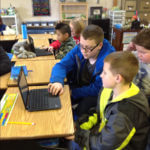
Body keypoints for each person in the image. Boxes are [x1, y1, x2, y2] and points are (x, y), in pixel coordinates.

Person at [66, 51, 150, 150]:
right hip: (104, 134)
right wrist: (79, 125)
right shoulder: (109, 90)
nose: (101, 75)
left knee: (73, 145)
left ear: (118, 78)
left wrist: (78, 136)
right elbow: (99, 113)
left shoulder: (126, 112)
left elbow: (105, 146)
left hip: (115, 145)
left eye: (105, 73)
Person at [48, 25, 115, 117]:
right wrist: (57, 81)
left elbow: (97, 89)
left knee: (74, 111)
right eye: (81, 46)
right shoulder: (80, 48)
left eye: (88, 48)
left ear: (100, 45)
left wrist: (72, 92)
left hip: (92, 95)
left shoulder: (109, 61)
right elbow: (61, 65)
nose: (83, 51)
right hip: (78, 86)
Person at [127, 28, 150, 103]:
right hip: (131, 94)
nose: (139, 55)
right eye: (137, 50)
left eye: (143, 53)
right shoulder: (136, 56)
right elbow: (122, 59)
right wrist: (129, 49)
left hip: (145, 101)